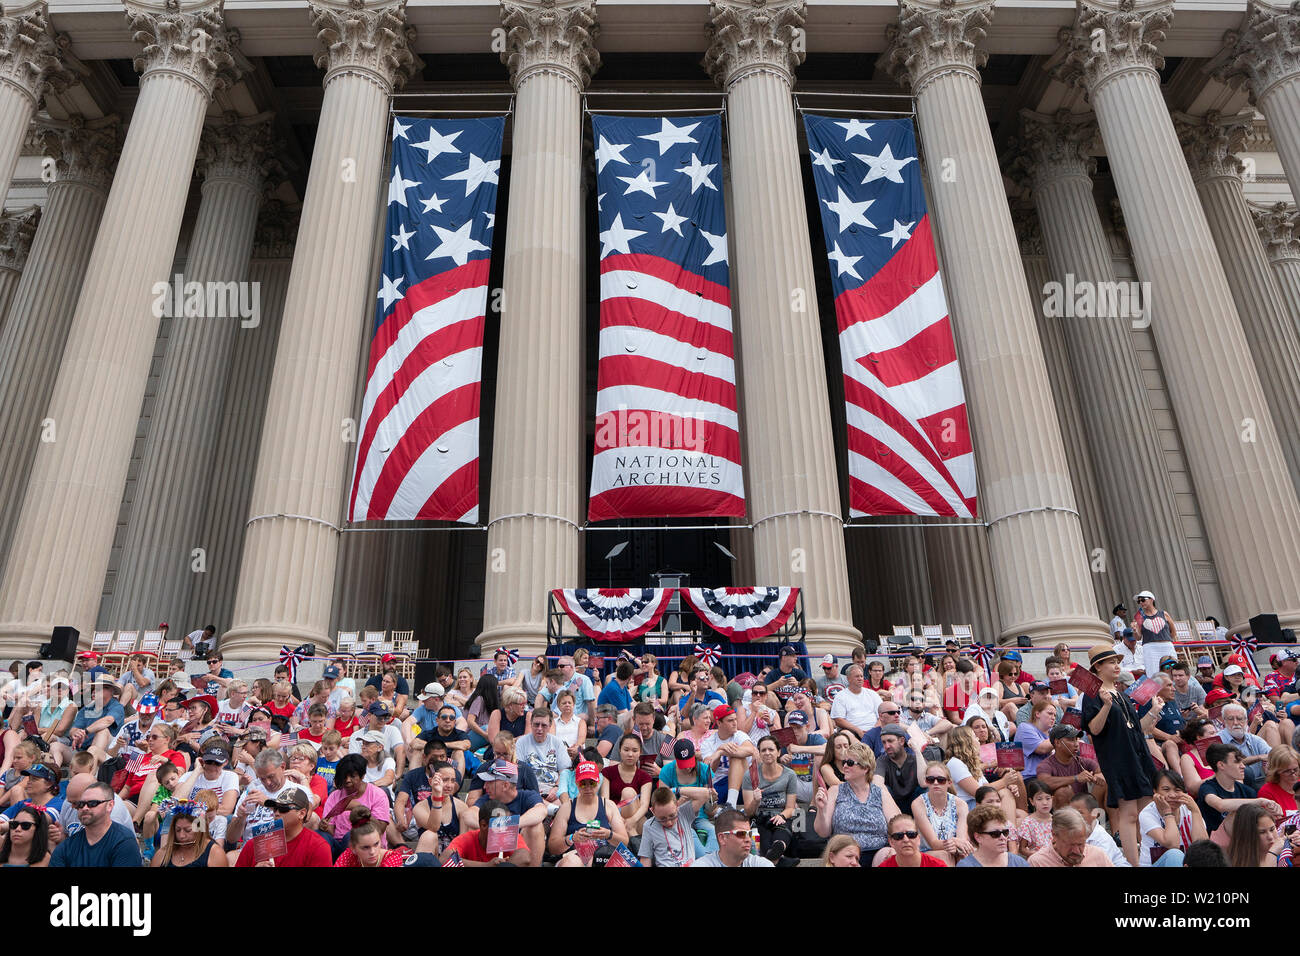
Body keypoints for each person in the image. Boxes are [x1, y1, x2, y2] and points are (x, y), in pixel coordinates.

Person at [1082, 642, 1157, 866]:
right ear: (1098, 667)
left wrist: (1154, 712)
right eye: (1111, 662)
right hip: (1117, 759)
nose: (1116, 666)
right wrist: (1105, 706)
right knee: (1130, 814)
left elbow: (1137, 728)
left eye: (1117, 662)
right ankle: (1134, 863)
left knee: (1145, 813)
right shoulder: (1093, 694)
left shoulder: (1122, 694)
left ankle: (1149, 857)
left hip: (1138, 755)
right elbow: (1094, 729)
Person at [813, 742, 899, 859]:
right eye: (844, 762)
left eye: (850, 763)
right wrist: (821, 810)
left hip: (877, 853)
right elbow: (823, 832)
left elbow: (898, 825)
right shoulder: (835, 791)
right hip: (845, 852)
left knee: (889, 854)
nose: (844, 767)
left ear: (865, 768)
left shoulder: (880, 793)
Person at [550, 761, 629, 866]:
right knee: (571, 862)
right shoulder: (567, 808)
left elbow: (624, 842)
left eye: (591, 783)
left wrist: (608, 835)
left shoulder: (609, 806)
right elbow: (552, 847)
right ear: (577, 784)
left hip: (602, 856)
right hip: (574, 856)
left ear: (598, 782)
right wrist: (571, 839)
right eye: (583, 783)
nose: (588, 788)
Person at [49, 781, 141, 867]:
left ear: (110, 805)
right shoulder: (67, 846)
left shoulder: (124, 842)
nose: (85, 808)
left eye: (92, 803)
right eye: (81, 804)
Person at [234, 788, 332, 867]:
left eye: (283, 809)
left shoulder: (317, 847)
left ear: (301, 814)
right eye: (275, 808)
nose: (276, 813)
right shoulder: (255, 844)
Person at [1196, 743, 1278, 834]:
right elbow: (1220, 805)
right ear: (1221, 765)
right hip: (1217, 844)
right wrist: (1260, 801)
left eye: (1242, 762)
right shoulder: (1207, 788)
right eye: (1237, 762)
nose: (1243, 766)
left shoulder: (1248, 791)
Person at [319, 753, 390, 856]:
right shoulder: (335, 796)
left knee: (351, 836)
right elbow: (330, 831)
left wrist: (359, 808)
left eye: (352, 776)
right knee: (320, 835)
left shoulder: (377, 795)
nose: (347, 780)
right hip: (338, 845)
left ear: (362, 776)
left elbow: (380, 829)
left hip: (367, 847)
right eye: (344, 776)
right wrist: (324, 826)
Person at [743, 735, 798, 863]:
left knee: (782, 830)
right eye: (763, 750)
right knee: (764, 837)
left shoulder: (790, 775)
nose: (767, 753)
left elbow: (790, 807)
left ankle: (779, 848)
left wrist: (782, 816)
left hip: (781, 817)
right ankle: (781, 860)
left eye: (771, 749)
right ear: (759, 753)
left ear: (778, 752)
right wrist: (755, 801)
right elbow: (748, 812)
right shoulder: (750, 775)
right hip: (759, 818)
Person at [1138, 768, 1208, 867]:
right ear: (1155, 791)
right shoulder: (1147, 813)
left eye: (1177, 790)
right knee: (1175, 854)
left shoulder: (1189, 809)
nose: (1172, 795)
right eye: (1166, 789)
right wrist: (1167, 813)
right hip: (1155, 864)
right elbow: (1172, 844)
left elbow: (1202, 846)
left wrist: (1196, 812)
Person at [910, 760, 970, 865]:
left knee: (965, 855)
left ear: (949, 782)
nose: (936, 783)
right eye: (931, 780)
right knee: (944, 855)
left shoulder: (961, 805)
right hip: (926, 851)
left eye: (941, 780)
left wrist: (957, 844)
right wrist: (955, 842)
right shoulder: (918, 804)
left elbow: (962, 840)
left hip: (954, 851)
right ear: (926, 782)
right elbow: (933, 843)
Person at [699, 704, 757, 809]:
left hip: (744, 786)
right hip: (720, 787)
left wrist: (727, 751)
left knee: (736, 758)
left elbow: (750, 750)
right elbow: (708, 771)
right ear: (719, 723)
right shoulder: (708, 743)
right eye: (730, 720)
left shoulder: (740, 735)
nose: (735, 723)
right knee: (736, 756)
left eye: (735, 719)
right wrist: (719, 751)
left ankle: (731, 804)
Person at [443, 799, 530, 866]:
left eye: (507, 823)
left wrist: (503, 865)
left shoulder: (509, 834)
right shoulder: (468, 838)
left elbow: (525, 857)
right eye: (499, 825)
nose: (504, 829)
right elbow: (444, 859)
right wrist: (486, 865)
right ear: (483, 825)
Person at [1035, 724, 1104, 808]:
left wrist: (1098, 776)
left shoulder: (1083, 761)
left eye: (1077, 739)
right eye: (1071, 740)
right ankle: (1065, 820)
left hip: (1084, 806)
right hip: (1063, 813)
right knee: (1063, 791)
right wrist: (1076, 778)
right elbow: (1044, 783)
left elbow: (1099, 771)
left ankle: (1100, 818)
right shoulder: (1045, 765)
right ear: (1058, 743)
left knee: (1106, 782)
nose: (1076, 744)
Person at [513, 706, 571, 806]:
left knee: (567, 803)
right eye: (536, 724)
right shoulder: (521, 742)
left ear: (550, 726)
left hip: (553, 789)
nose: (539, 729)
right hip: (530, 790)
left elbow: (564, 771)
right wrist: (533, 789)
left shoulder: (557, 742)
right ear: (531, 724)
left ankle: (549, 809)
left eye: (544, 725)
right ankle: (551, 810)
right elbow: (519, 772)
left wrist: (557, 788)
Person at [152, 797, 228, 868]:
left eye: (188, 830)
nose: (181, 836)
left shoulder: (214, 853)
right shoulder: (163, 853)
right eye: (178, 830)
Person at [1028, 807, 1114, 867]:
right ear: (1054, 835)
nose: (1076, 851)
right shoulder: (1037, 863)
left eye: (1081, 844)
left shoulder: (1097, 854)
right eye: (1070, 845)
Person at [691, 807, 775, 868]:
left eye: (749, 834)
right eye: (741, 834)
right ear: (722, 838)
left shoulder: (760, 864)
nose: (748, 839)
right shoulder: (702, 865)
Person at [956, 804, 1029, 867]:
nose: (1003, 837)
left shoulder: (1019, 863)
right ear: (978, 837)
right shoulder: (966, 865)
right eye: (995, 834)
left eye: (1005, 832)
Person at [1218, 703, 1270, 788]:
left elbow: (1272, 755)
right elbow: (1229, 764)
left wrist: (1269, 763)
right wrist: (1259, 757)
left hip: (1260, 782)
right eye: (1230, 719)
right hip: (1234, 786)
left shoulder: (1254, 739)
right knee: (1246, 771)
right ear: (1224, 721)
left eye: (1239, 719)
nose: (1235, 723)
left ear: (1246, 721)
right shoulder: (1218, 740)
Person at [334, 812, 412, 867]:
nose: (372, 852)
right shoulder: (348, 855)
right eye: (365, 847)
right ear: (353, 848)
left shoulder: (392, 858)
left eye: (376, 844)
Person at [877, 723, 925, 808]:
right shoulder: (882, 760)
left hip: (915, 805)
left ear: (902, 741)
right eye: (884, 742)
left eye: (890, 741)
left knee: (925, 789)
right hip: (892, 806)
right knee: (882, 790)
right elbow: (877, 784)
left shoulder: (915, 759)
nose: (887, 746)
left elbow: (924, 783)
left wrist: (917, 751)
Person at [1133, 589, 1177, 679]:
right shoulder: (1139, 617)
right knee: (1153, 672)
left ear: (1151, 599)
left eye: (1143, 600)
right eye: (1139, 601)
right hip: (1150, 647)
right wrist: (1134, 630)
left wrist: (1167, 639)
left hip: (1166, 645)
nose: (1141, 602)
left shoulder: (1164, 614)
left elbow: (1173, 631)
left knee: (1173, 669)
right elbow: (1138, 637)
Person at [830, 665, 882, 739]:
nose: (860, 679)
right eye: (857, 676)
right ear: (848, 679)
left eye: (861, 676)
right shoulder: (840, 696)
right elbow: (839, 720)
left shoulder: (872, 694)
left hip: (875, 730)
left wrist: (873, 730)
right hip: (852, 732)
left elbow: (882, 714)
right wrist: (858, 730)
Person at [876, 812, 947, 867]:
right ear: (891, 842)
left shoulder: (937, 865)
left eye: (911, 834)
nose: (906, 840)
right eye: (898, 836)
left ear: (918, 839)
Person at [1226, 802, 1282, 867]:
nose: (1270, 837)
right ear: (1246, 836)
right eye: (1262, 832)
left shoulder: (1283, 855)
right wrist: (1272, 854)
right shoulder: (1230, 862)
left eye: (1272, 829)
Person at [1012, 700, 1057, 778]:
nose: (1053, 718)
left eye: (1055, 715)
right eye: (1050, 714)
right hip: (1030, 777)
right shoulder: (1024, 728)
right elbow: (1042, 748)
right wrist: (1063, 738)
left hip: (1051, 775)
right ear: (1037, 714)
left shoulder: (1054, 733)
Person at [1259, 744, 1299, 813]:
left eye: (1295, 769)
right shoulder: (1267, 792)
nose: (1293, 775)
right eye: (1287, 771)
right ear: (1276, 771)